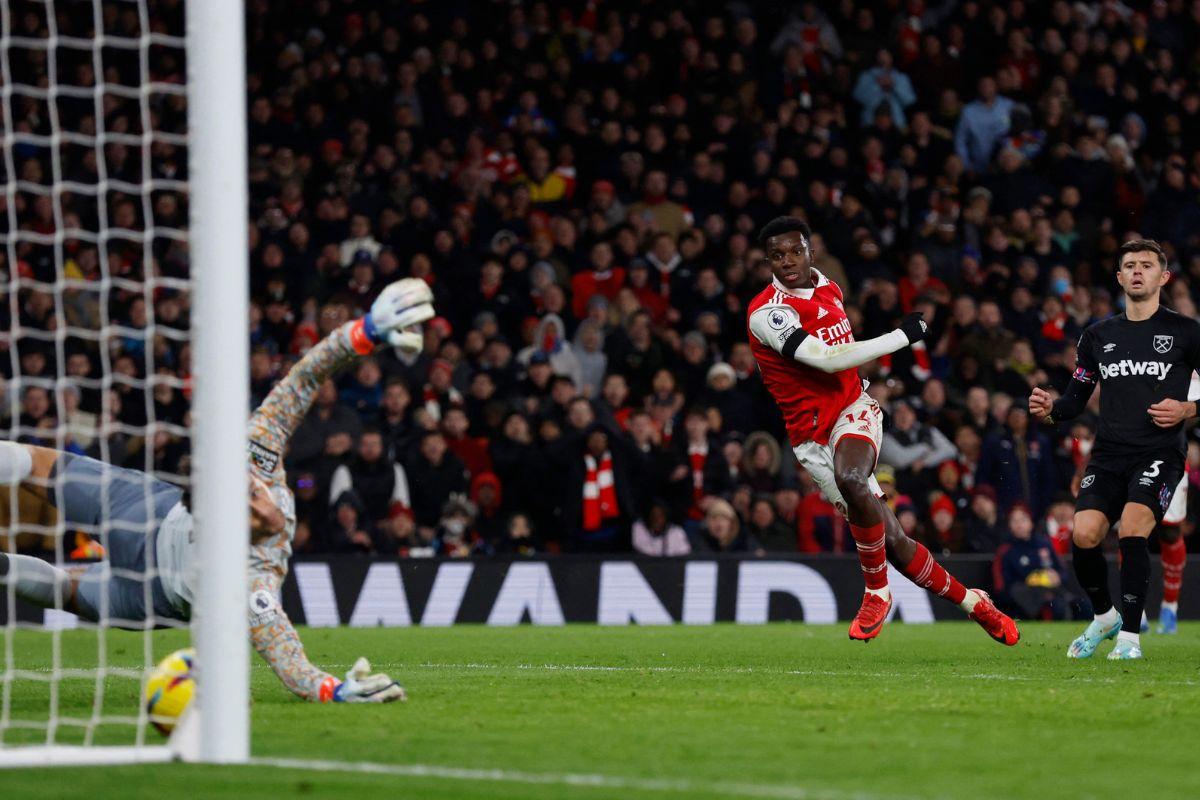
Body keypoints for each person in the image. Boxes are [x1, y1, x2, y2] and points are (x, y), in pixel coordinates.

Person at [0, 278, 434, 702]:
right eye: (244, 505)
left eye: (247, 490)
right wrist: (332, 690)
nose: (256, 499)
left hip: (149, 562)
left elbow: (304, 377)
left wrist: (365, 332)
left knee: (63, 583)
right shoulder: (246, 576)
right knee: (41, 487)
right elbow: (289, 660)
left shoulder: (253, 461)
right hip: (151, 547)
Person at [747, 216, 1018, 644]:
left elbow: (845, 366)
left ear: (810, 251)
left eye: (795, 251)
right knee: (894, 542)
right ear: (767, 262)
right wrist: (901, 336)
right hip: (811, 438)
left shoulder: (827, 285)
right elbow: (828, 358)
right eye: (777, 256)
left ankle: (876, 592)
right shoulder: (768, 314)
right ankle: (975, 603)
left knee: (850, 475)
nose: (788, 261)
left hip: (853, 408)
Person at [1030, 239, 1200, 660]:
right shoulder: (1097, 335)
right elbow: (1074, 399)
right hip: (1108, 454)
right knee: (1084, 533)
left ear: (1164, 277)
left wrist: (1187, 408)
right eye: (1130, 265)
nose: (1137, 271)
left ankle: (1130, 640)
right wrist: (1051, 409)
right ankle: (1106, 617)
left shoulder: (1186, 332)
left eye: (1147, 265)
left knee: (1133, 526)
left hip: (1159, 452)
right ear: (1120, 278)